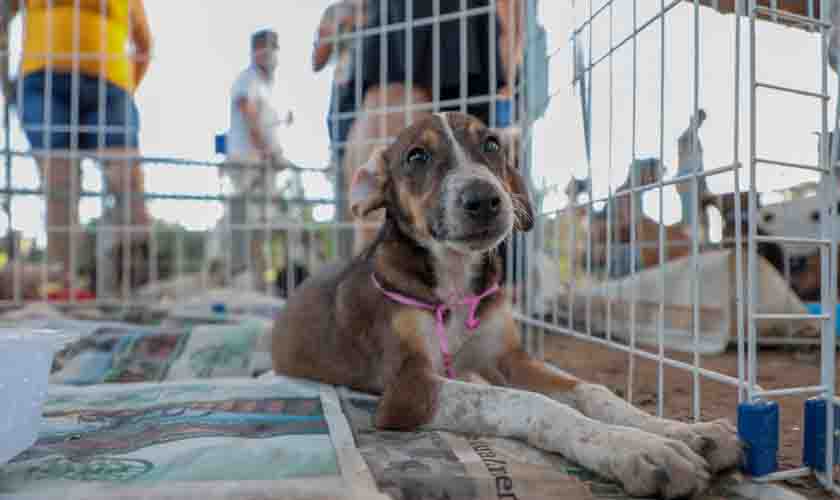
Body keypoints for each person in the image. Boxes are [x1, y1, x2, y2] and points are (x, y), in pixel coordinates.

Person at [2, 0, 153, 290]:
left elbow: (143, 45)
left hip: (111, 86)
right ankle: (62, 281)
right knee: (60, 180)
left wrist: (124, 85)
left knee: (127, 180)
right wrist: (7, 84)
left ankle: (134, 279)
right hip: (43, 79)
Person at [225, 29, 292, 285]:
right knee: (245, 222)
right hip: (247, 162)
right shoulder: (248, 79)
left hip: (265, 166)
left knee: (262, 225)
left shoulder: (268, 86)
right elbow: (249, 115)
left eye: (273, 47)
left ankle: (257, 280)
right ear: (254, 51)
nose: (269, 53)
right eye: (263, 47)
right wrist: (268, 151)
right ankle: (239, 276)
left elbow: (266, 121)